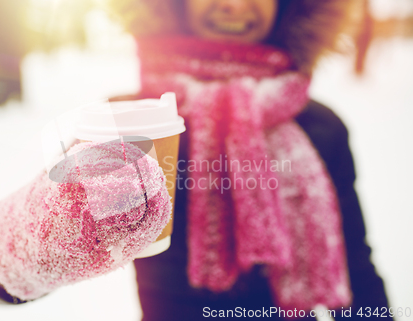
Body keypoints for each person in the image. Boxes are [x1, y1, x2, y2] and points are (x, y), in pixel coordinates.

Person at [108, 0, 392, 320]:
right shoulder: (126, 124)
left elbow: (357, 272)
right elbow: (54, 261)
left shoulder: (321, 128)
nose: (235, 5)